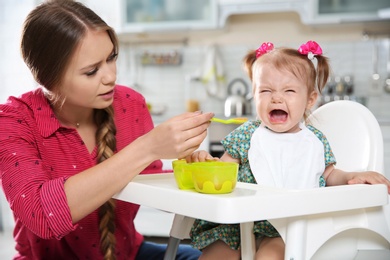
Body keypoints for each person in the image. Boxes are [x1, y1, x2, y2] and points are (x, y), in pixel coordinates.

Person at [0, 0, 213, 259]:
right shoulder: (14, 120)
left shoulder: (130, 104)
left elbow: (149, 186)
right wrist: (147, 147)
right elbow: (43, 215)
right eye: (92, 71)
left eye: (112, 58)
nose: (111, 76)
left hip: (128, 252)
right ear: (47, 79)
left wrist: (196, 173)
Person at [184, 41, 390, 260]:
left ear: (309, 99)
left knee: (269, 257)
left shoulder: (314, 141)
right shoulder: (247, 135)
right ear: (254, 96)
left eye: (289, 90)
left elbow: (329, 175)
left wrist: (353, 176)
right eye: (265, 90)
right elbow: (223, 171)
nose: (276, 98)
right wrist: (206, 164)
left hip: (287, 227)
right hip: (239, 225)